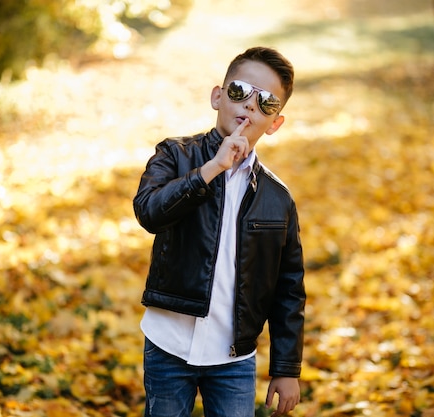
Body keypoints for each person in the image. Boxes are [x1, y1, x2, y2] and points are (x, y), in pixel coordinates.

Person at [133, 46, 306, 417]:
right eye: (240, 91)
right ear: (218, 96)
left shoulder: (278, 199)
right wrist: (212, 169)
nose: (249, 107)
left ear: (275, 123)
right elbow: (149, 212)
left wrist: (286, 368)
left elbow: (288, 288)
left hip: (234, 358)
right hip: (169, 344)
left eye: (267, 103)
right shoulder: (175, 156)